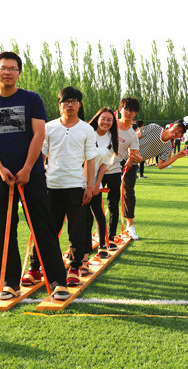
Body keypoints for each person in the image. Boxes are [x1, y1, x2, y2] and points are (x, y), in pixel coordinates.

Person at [0, 51, 70, 302]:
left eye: (12, 68)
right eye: (3, 68)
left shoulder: (31, 99)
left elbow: (39, 135)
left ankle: (57, 282)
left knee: (42, 227)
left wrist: (27, 168)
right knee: (4, 231)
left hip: (32, 173)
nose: (7, 72)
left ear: (19, 73)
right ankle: (10, 283)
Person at [35, 86, 97, 287]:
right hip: (51, 185)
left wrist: (89, 186)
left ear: (79, 104)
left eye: (74, 101)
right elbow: (41, 155)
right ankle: (36, 266)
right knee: (47, 229)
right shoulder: (49, 127)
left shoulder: (87, 129)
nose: (70, 105)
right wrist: (38, 181)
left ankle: (74, 267)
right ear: (59, 105)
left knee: (76, 230)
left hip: (76, 186)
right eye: (66, 101)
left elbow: (90, 160)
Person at [128, 118, 188, 239]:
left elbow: (160, 165)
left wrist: (177, 156)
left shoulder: (167, 147)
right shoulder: (154, 127)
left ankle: (129, 226)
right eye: (177, 128)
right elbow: (133, 137)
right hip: (120, 156)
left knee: (129, 195)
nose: (177, 132)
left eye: (180, 132)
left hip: (133, 165)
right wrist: (130, 153)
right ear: (171, 125)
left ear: (181, 136)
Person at [85, 107, 118, 260]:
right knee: (82, 215)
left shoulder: (111, 139)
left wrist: (97, 184)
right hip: (77, 179)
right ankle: (82, 247)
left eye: (109, 120)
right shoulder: (87, 132)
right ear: (97, 119)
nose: (106, 122)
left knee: (98, 213)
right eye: (103, 118)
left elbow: (104, 165)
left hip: (94, 181)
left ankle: (102, 245)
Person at [109, 97, 142, 241]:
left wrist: (134, 159)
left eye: (132, 111)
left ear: (135, 114)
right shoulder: (110, 124)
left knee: (128, 193)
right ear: (120, 109)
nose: (128, 113)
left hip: (121, 164)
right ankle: (94, 228)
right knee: (94, 194)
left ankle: (129, 226)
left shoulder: (132, 134)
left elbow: (135, 153)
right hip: (101, 163)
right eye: (126, 109)